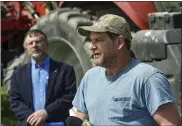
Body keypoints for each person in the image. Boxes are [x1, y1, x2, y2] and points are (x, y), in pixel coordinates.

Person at [72, 14, 181, 126]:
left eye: (98, 40)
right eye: (91, 40)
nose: (91, 46)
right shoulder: (90, 77)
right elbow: (80, 114)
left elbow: (171, 124)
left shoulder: (147, 78)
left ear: (119, 42)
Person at [9, 29, 77, 126]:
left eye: (38, 42)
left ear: (46, 44)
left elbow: (70, 96)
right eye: (30, 43)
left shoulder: (65, 70)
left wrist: (46, 113)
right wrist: (32, 118)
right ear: (26, 48)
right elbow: (14, 100)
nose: (34, 45)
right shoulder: (18, 74)